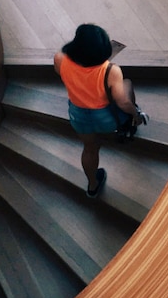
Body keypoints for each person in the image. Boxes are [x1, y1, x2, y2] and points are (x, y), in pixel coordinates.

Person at [54, 24, 148, 198]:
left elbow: (63, 74)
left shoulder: (60, 58)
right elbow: (122, 102)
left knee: (89, 149)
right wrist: (135, 114)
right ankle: (133, 122)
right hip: (105, 118)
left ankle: (92, 185)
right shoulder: (111, 71)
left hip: (78, 116)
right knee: (127, 85)